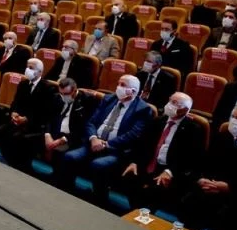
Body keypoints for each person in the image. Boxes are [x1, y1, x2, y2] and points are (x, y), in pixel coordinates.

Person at [58, 75, 154, 206]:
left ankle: (99, 200)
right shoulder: (109, 99)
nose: (118, 87)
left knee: (98, 165)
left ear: (133, 91)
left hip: (116, 150)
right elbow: (91, 122)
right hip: (93, 143)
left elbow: (133, 135)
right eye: (118, 83)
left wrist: (107, 144)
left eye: (123, 85)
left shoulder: (143, 109)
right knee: (70, 157)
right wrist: (93, 138)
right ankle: (67, 191)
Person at [118, 93, 204, 212]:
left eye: (174, 103)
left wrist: (170, 172)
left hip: (169, 168)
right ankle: (135, 211)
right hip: (149, 163)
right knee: (128, 177)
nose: (169, 105)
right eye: (170, 100)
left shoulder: (193, 129)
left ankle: (145, 214)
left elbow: (190, 159)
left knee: (156, 189)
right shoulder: (157, 121)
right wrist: (134, 162)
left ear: (184, 110)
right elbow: (141, 144)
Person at [0, 58, 55, 172]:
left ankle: (22, 165)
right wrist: (14, 113)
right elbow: (15, 103)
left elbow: (45, 112)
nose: (27, 70)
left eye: (31, 68)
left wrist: (27, 119)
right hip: (18, 120)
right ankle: (11, 161)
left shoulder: (48, 88)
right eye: (27, 67)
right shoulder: (23, 84)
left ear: (40, 72)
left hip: (35, 124)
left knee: (17, 138)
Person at [42, 78, 99, 167]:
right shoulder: (57, 97)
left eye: (66, 94)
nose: (63, 96)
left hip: (72, 137)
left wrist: (63, 139)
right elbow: (49, 117)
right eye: (61, 93)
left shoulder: (87, 100)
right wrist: (47, 134)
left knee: (61, 154)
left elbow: (83, 126)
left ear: (75, 90)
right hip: (55, 132)